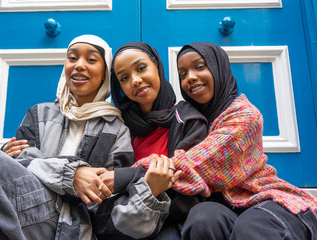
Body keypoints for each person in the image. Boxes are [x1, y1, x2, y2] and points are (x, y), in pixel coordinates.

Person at [0, 34, 136, 239]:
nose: (79, 65)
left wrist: (33, 164)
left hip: (72, 224)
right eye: (72, 57)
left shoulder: (117, 129)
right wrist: (72, 175)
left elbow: (106, 195)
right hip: (22, 205)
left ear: (105, 73)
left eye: (91, 59)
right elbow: (19, 164)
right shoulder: (39, 113)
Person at [135, 42, 317, 239]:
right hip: (229, 209)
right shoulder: (192, 121)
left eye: (199, 66)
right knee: (202, 218)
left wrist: (119, 177)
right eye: (182, 74)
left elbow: (191, 164)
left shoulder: (245, 115)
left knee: (252, 226)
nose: (191, 77)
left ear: (218, 67)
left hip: (269, 202)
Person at [92, 42, 208, 240]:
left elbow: (189, 184)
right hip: (127, 227)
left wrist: (129, 180)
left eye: (141, 68)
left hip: (175, 224)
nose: (135, 81)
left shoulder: (188, 119)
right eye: (124, 78)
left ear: (157, 67)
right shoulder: (118, 125)